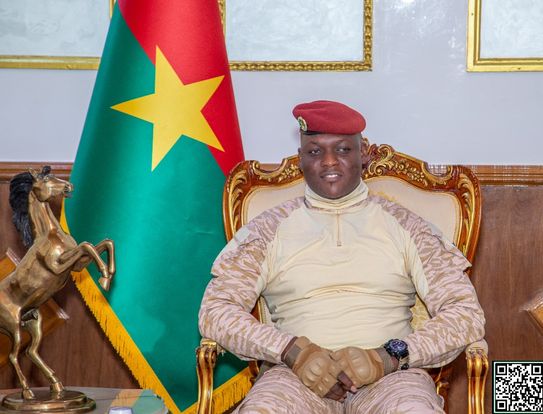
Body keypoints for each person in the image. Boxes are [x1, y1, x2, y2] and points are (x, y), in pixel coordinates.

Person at [199, 100, 485, 413]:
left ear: (365, 155)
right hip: (293, 379)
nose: (329, 162)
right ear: (300, 160)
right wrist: (290, 351)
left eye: (343, 149)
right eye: (314, 151)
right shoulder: (266, 230)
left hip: (391, 379)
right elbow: (216, 311)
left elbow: (464, 314)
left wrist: (388, 356)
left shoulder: (409, 227)